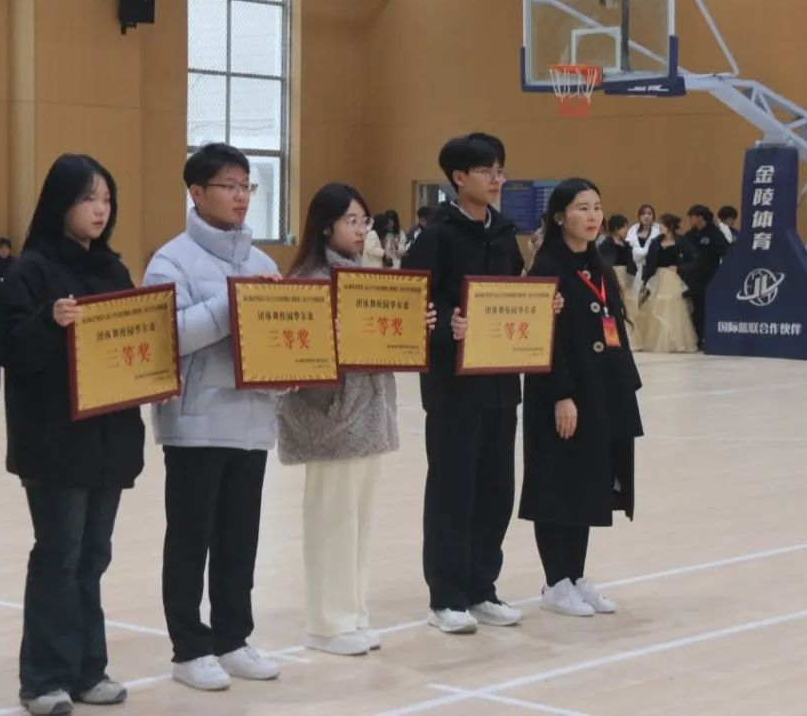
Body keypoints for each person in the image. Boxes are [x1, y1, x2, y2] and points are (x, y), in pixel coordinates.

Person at [0, 154, 146, 715]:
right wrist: (48, 321)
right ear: (61, 203)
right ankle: (43, 678)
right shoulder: (29, 271)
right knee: (59, 555)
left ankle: (88, 669)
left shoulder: (113, 270)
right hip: (55, 444)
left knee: (93, 556)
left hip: (107, 441)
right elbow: (11, 351)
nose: (100, 210)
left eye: (106, 199)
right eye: (88, 199)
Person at [142, 142, 281, 692]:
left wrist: (292, 370)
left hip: (252, 423)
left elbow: (279, 337)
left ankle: (233, 638)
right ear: (196, 193)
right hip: (196, 424)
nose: (241, 196)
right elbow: (166, 336)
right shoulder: (170, 260)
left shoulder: (264, 263)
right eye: (229, 186)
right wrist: (232, 304)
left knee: (239, 540)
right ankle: (188, 648)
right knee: (190, 539)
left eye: (246, 185)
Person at [277, 183, 437, 656]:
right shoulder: (308, 278)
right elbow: (293, 352)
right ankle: (327, 624)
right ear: (325, 226)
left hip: (367, 413)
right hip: (329, 416)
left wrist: (416, 325)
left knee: (359, 523)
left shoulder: (367, 276)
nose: (361, 229)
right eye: (351, 220)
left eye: (364, 221)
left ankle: (353, 613)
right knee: (332, 522)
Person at [402, 133, 527, 635]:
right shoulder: (435, 237)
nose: (497, 179)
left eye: (500, 170)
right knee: (453, 489)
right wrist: (447, 324)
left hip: (501, 383)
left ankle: (482, 588)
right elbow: (413, 305)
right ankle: (446, 597)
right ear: (459, 178)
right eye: (486, 171)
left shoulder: (505, 234)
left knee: (496, 490)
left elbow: (513, 296)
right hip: (453, 388)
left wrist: (541, 307)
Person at [520, 178, 642, 618]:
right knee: (558, 484)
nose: (592, 217)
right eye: (581, 208)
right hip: (563, 394)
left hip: (600, 392)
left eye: (596, 207)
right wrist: (561, 394)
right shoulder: (546, 268)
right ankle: (555, 582)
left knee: (588, 484)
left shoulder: (597, 265)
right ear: (559, 216)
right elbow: (544, 339)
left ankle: (575, 576)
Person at [637, 214, 698, 353]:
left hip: (672, 278)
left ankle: (674, 342)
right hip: (658, 277)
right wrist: (645, 281)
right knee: (655, 306)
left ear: (670, 226)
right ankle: (655, 340)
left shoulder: (681, 242)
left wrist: (680, 269)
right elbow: (650, 262)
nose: (660, 227)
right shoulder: (656, 242)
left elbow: (694, 260)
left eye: (662, 225)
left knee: (673, 308)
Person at [683, 204, 729, 347]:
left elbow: (726, 251)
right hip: (692, 278)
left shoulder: (714, 233)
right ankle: (697, 337)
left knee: (706, 308)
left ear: (700, 217)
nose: (690, 220)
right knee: (695, 308)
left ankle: (707, 337)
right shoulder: (689, 235)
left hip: (710, 277)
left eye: (692, 216)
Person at [599, 214, 638, 350]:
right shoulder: (606, 244)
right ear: (615, 228)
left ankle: (630, 339)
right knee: (611, 307)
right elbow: (605, 263)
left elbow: (631, 264)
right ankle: (611, 337)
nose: (626, 230)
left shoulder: (626, 246)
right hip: (612, 277)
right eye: (624, 227)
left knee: (628, 307)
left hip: (625, 278)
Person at [625, 204, 662, 291]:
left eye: (649, 213)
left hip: (652, 270)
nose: (646, 216)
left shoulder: (658, 231)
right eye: (643, 213)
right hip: (635, 268)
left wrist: (643, 253)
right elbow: (629, 249)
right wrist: (645, 252)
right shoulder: (632, 230)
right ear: (639, 216)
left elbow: (657, 251)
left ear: (653, 216)